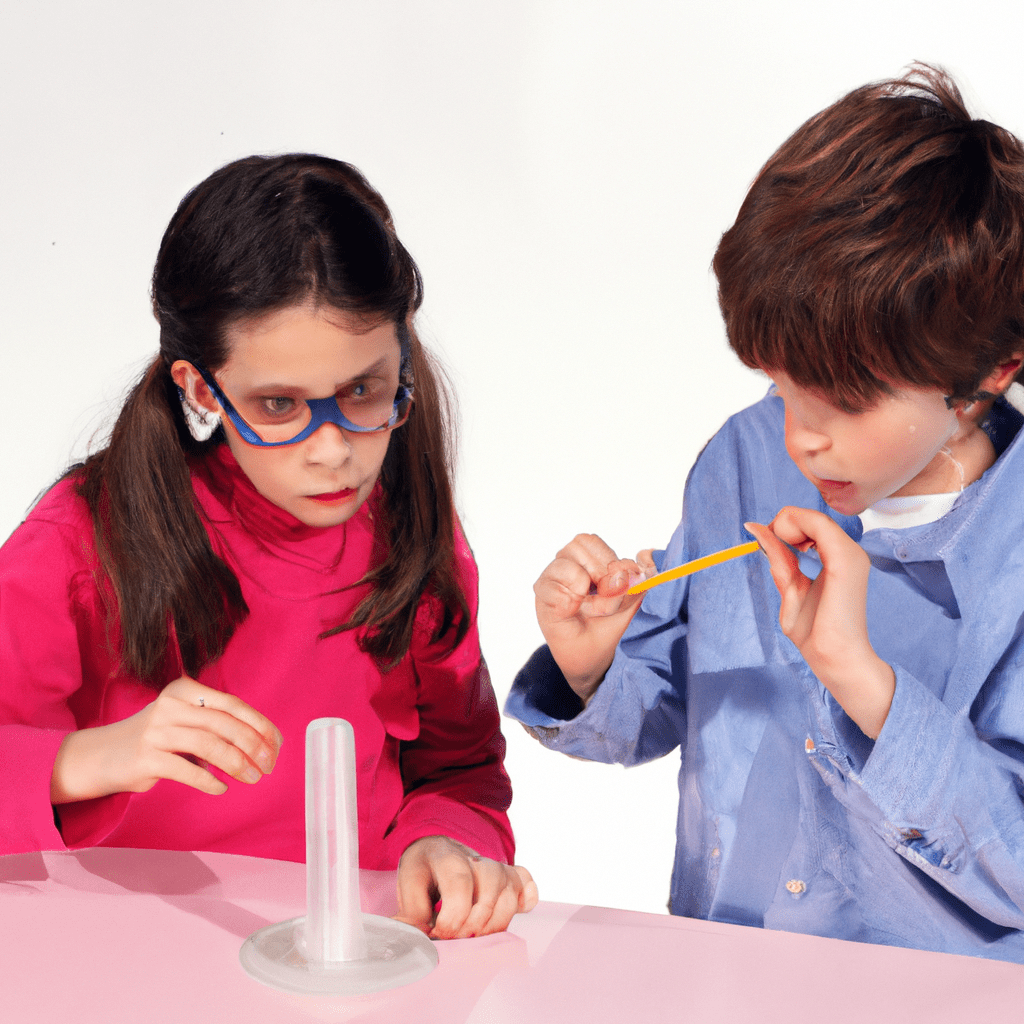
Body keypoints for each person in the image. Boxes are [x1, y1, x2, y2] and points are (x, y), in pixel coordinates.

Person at [505, 66, 1024, 961]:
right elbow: (665, 704)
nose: (800, 439)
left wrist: (865, 681)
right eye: (780, 384)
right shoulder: (744, 460)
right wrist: (591, 667)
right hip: (723, 975)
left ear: (988, 373)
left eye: (844, 400)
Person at [0, 153, 536, 939]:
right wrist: (93, 758)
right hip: (121, 966)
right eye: (278, 404)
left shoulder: (413, 537)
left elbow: (460, 772)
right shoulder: (82, 542)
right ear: (198, 388)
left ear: (403, 362)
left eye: (364, 389)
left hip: (341, 967)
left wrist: (447, 843)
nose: (333, 451)